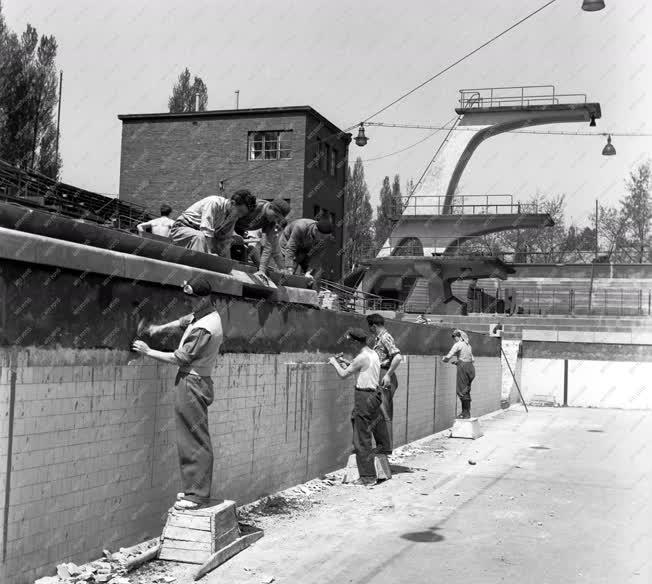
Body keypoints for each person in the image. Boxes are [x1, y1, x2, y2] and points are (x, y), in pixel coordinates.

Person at [132, 275, 223, 510]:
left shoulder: (205, 328)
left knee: (194, 438)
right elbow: (185, 321)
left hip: (192, 383)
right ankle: (194, 489)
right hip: (194, 381)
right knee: (188, 438)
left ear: (204, 298)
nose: (189, 303)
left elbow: (179, 357)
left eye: (193, 299)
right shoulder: (206, 315)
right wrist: (158, 328)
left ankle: (198, 495)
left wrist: (148, 351)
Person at [328, 328, 382, 486]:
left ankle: (367, 477)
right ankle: (365, 467)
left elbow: (344, 375)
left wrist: (333, 363)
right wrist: (345, 362)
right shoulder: (372, 354)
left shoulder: (360, 357)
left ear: (355, 342)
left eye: (350, 341)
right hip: (374, 396)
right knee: (362, 431)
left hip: (363, 397)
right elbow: (360, 367)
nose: (349, 345)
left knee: (361, 438)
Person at [170, 190, 256, 257]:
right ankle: (198, 273)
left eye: (243, 214)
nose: (240, 216)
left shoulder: (233, 216)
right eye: (240, 211)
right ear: (232, 203)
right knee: (200, 237)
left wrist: (227, 264)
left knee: (219, 245)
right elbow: (206, 230)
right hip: (181, 228)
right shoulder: (214, 202)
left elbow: (225, 240)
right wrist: (210, 253)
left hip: (200, 235)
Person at [366, 314, 402, 461]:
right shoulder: (379, 338)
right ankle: (382, 445)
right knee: (378, 412)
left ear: (373, 326)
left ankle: (385, 447)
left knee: (383, 413)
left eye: (370, 327)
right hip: (381, 374)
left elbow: (398, 357)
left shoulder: (385, 337)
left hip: (385, 375)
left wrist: (387, 375)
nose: (370, 330)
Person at [235, 198, 291, 283]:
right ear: (270, 207)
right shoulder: (254, 206)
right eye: (275, 216)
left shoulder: (270, 223)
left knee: (241, 264)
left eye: (278, 219)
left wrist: (262, 270)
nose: (275, 220)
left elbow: (269, 248)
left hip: (240, 232)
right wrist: (232, 233)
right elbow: (231, 213)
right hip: (226, 226)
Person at [280, 212, 335, 285]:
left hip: (306, 248)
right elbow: (290, 248)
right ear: (315, 230)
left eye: (325, 237)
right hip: (288, 241)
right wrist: (289, 267)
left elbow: (316, 257)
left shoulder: (325, 239)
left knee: (312, 276)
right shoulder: (301, 227)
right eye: (322, 237)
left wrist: (308, 272)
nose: (323, 240)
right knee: (291, 270)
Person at [442, 329, 476, 419]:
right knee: (466, 390)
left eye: (455, 337)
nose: (454, 339)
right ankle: (467, 412)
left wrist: (444, 359)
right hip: (471, 368)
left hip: (464, 369)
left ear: (459, 337)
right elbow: (472, 359)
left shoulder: (458, 344)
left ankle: (465, 413)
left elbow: (449, 356)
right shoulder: (469, 345)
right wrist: (458, 362)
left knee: (461, 391)